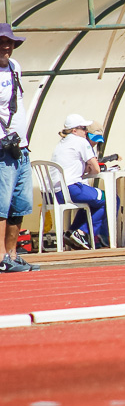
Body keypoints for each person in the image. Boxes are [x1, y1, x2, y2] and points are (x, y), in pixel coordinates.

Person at [0, 23, 38, 272]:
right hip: (3, 149)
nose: (6, 47)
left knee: (20, 204)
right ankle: (1, 257)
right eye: (2, 42)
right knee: (1, 205)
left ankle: (13, 254)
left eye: (10, 42)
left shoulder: (15, 68)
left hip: (21, 147)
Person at [51, 114, 116, 249]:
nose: (86, 132)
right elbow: (96, 169)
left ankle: (72, 232)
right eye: (83, 128)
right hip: (71, 188)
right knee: (109, 198)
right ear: (75, 130)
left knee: (91, 200)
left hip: (54, 193)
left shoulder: (61, 143)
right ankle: (84, 233)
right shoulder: (80, 141)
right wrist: (90, 171)